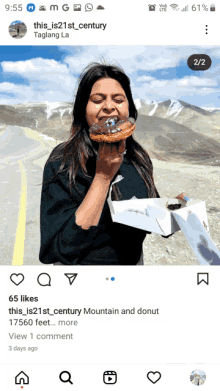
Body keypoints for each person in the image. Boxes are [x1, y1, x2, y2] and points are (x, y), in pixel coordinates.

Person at [39, 62, 175, 266]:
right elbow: (56, 251)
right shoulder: (63, 160)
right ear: (83, 108)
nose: (109, 106)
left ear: (128, 107)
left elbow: (149, 213)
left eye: (118, 99)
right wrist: (103, 177)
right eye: (97, 99)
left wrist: (175, 213)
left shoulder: (138, 157)